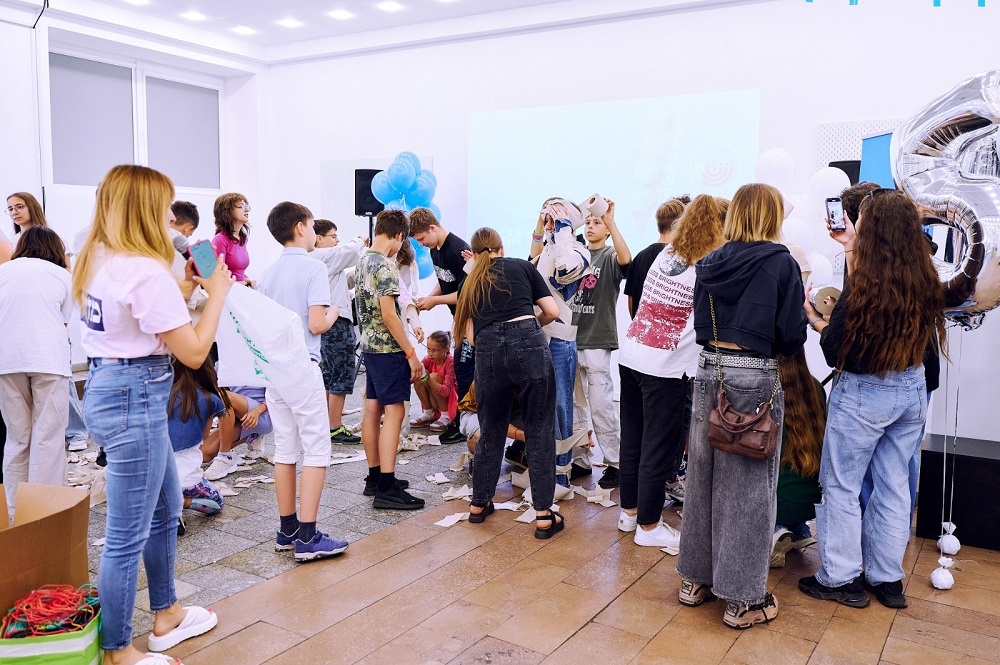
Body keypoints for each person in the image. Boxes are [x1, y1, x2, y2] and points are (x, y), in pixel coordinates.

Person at [73, 164, 228, 663]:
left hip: (112, 386)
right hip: (134, 396)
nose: (170, 219)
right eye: (164, 208)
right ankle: (118, 651)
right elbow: (195, 353)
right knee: (125, 536)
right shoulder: (144, 270)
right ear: (144, 210)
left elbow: (141, 319)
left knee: (166, 506)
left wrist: (185, 289)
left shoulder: (99, 259)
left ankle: (167, 614)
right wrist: (217, 295)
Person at [799, 188, 945, 610]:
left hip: (865, 394)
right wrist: (850, 249)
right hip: (912, 389)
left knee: (841, 486)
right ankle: (887, 579)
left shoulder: (867, 282)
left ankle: (841, 578)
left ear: (872, 227)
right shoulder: (924, 275)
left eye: (861, 219)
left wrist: (816, 321)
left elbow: (837, 349)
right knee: (894, 486)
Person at [676, 183, 807, 630]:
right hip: (754, 377)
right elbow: (790, 337)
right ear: (771, 216)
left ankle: (694, 581)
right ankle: (741, 601)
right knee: (749, 492)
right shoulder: (781, 262)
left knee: (702, 480)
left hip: (708, 370)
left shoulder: (710, 262)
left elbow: (700, 324)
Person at [618, 194, 726, 549]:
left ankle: (629, 513)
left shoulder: (666, 253)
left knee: (633, 439)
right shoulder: (708, 265)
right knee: (658, 445)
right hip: (664, 367)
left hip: (633, 355)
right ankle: (649, 527)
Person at [453, 227, 563, 538]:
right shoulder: (522, 267)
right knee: (539, 428)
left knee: (491, 427)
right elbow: (552, 311)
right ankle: (543, 515)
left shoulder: (470, 281)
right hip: (528, 342)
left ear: (474, 254)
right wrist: (528, 327)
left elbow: (471, 338)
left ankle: (479, 503)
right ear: (501, 248)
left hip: (488, 350)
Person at [257, 201, 351, 560]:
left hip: (275, 371)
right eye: (312, 226)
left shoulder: (267, 274)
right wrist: (335, 312)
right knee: (316, 448)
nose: (314, 233)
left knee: (284, 449)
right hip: (301, 365)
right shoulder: (313, 268)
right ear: (300, 227)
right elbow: (316, 324)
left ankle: (288, 530)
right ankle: (308, 538)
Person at [0, 227, 73, 514]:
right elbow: (64, 320)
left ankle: (15, 512)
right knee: (48, 437)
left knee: (18, 437)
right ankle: (44, 512)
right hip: (48, 360)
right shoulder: (62, 275)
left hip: (7, 360)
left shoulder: (3, 272)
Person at [356, 209, 424, 509]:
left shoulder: (363, 260)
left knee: (372, 410)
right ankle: (386, 486)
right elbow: (389, 314)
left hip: (370, 347)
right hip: (388, 349)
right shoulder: (385, 265)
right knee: (394, 413)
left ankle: (375, 477)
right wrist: (410, 353)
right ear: (398, 236)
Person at [569, 199, 631, 488]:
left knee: (601, 405)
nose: (591, 226)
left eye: (597, 223)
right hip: (571, 339)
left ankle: (615, 462)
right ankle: (581, 459)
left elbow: (626, 261)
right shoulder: (575, 255)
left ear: (606, 230)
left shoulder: (608, 256)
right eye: (589, 222)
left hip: (596, 339)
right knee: (575, 405)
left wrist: (611, 221)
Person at [529, 198, 590, 485]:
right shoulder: (548, 249)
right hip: (540, 336)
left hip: (560, 341)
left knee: (561, 407)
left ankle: (561, 474)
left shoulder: (578, 251)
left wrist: (564, 226)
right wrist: (542, 226)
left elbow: (566, 272)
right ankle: (545, 470)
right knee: (542, 406)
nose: (550, 217)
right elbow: (530, 265)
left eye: (557, 212)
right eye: (548, 212)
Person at [409, 207, 470, 444]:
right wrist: (430, 298)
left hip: (471, 319)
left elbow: (466, 293)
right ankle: (457, 419)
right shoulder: (435, 250)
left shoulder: (457, 250)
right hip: (459, 319)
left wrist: (435, 301)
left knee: (464, 372)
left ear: (432, 228)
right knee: (462, 371)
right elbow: (445, 282)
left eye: (422, 238)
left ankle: (462, 422)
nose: (422, 244)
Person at [770, 347, 825, 567]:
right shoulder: (816, 387)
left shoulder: (768, 390)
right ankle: (799, 529)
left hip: (777, 502)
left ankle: (776, 530)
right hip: (812, 502)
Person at [313, 218, 366, 444]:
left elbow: (344, 282)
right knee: (341, 374)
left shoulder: (321, 261)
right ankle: (334, 427)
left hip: (327, 323)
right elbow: (350, 251)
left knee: (329, 374)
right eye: (333, 236)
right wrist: (362, 240)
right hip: (336, 323)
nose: (337, 240)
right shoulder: (322, 255)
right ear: (319, 238)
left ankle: (328, 424)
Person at [167, 358, 231, 519]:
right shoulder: (210, 399)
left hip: (157, 479)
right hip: (189, 481)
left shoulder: (158, 394)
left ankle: (165, 504)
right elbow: (204, 435)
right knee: (217, 503)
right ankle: (181, 502)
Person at [624, 196, 689, 318]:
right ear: (681, 224)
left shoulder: (640, 257)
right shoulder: (681, 259)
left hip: (641, 326)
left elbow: (631, 304)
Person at [202, 383, 272, 480]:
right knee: (204, 454)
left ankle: (225, 456)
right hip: (238, 415)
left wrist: (257, 411)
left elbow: (279, 394)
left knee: (224, 396)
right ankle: (253, 436)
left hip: (262, 414)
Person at [411, 331, 459, 432]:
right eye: (428, 349)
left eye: (434, 350)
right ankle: (428, 413)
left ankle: (445, 416)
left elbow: (446, 391)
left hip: (448, 401)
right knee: (419, 376)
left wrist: (429, 379)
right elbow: (414, 374)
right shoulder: (428, 359)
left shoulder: (450, 362)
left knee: (434, 376)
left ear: (446, 349)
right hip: (434, 399)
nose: (430, 354)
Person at [212, 192, 253, 286]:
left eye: (246, 206)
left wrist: (244, 278)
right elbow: (217, 275)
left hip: (240, 288)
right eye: (241, 206)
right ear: (227, 212)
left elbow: (237, 271)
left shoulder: (243, 239)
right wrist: (239, 282)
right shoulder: (220, 240)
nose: (247, 210)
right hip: (229, 290)